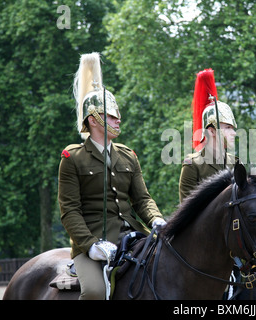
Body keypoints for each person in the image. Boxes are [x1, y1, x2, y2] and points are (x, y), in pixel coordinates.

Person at [58, 52, 166, 300]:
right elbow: (70, 211)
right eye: (111, 116)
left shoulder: (128, 155)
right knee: (95, 293)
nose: (118, 121)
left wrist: (157, 220)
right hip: (92, 244)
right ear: (92, 120)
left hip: (134, 237)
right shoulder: (72, 158)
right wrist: (91, 245)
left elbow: (142, 199)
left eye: (117, 116)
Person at [179, 69, 238, 202]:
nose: (233, 133)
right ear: (211, 131)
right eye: (228, 128)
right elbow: (188, 210)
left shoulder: (235, 163)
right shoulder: (192, 165)